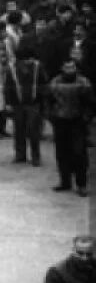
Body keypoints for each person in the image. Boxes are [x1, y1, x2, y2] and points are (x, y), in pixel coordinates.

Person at [48, 58, 95, 197]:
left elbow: (90, 104)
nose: (70, 70)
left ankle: (81, 184)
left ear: (76, 68)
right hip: (60, 121)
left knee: (79, 153)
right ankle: (65, 181)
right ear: (62, 68)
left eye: (72, 67)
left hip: (77, 122)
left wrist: (86, 118)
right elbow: (48, 102)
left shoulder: (83, 83)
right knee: (62, 153)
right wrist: (52, 117)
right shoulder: (55, 83)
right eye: (67, 67)